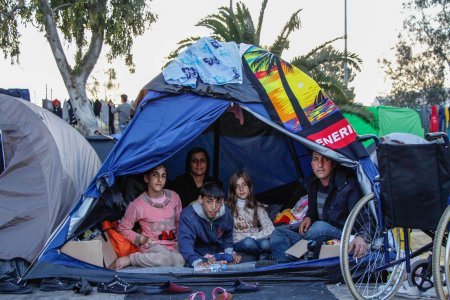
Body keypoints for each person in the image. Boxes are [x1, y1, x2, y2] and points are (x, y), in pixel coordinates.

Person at [270, 151, 368, 262]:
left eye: (325, 159)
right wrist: (309, 217)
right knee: (278, 232)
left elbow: (364, 219)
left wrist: (362, 237)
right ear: (311, 164)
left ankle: (292, 258)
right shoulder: (313, 183)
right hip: (315, 237)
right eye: (316, 159)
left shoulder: (347, 185)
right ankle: (286, 266)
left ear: (333, 163)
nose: (320, 164)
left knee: (318, 227)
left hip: (341, 235)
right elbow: (314, 212)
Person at [115, 164, 185, 269]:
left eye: (163, 176)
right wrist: (141, 239)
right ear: (146, 178)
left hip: (172, 245)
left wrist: (180, 242)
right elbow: (123, 227)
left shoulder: (174, 197)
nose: (159, 179)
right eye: (155, 175)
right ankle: (132, 259)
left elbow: (179, 221)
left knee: (180, 261)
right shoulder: (138, 205)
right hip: (153, 246)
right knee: (165, 259)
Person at [178, 182, 241, 268]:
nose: (214, 207)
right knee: (189, 264)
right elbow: (185, 242)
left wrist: (229, 254)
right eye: (209, 202)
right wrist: (196, 261)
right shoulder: (188, 215)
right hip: (198, 255)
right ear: (200, 199)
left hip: (219, 254)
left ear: (222, 201)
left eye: (218, 202)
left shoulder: (226, 212)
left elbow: (228, 236)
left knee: (244, 259)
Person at [227, 170, 274, 260]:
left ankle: (260, 255)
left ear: (249, 186)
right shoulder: (228, 208)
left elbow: (270, 229)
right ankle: (263, 255)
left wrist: (255, 236)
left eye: (244, 185)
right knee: (248, 242)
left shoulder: (257, 207)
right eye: (237, 186)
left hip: (255, 240)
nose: (241, 189)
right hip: (239, 243)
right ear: (233, 190)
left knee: (266, 244)